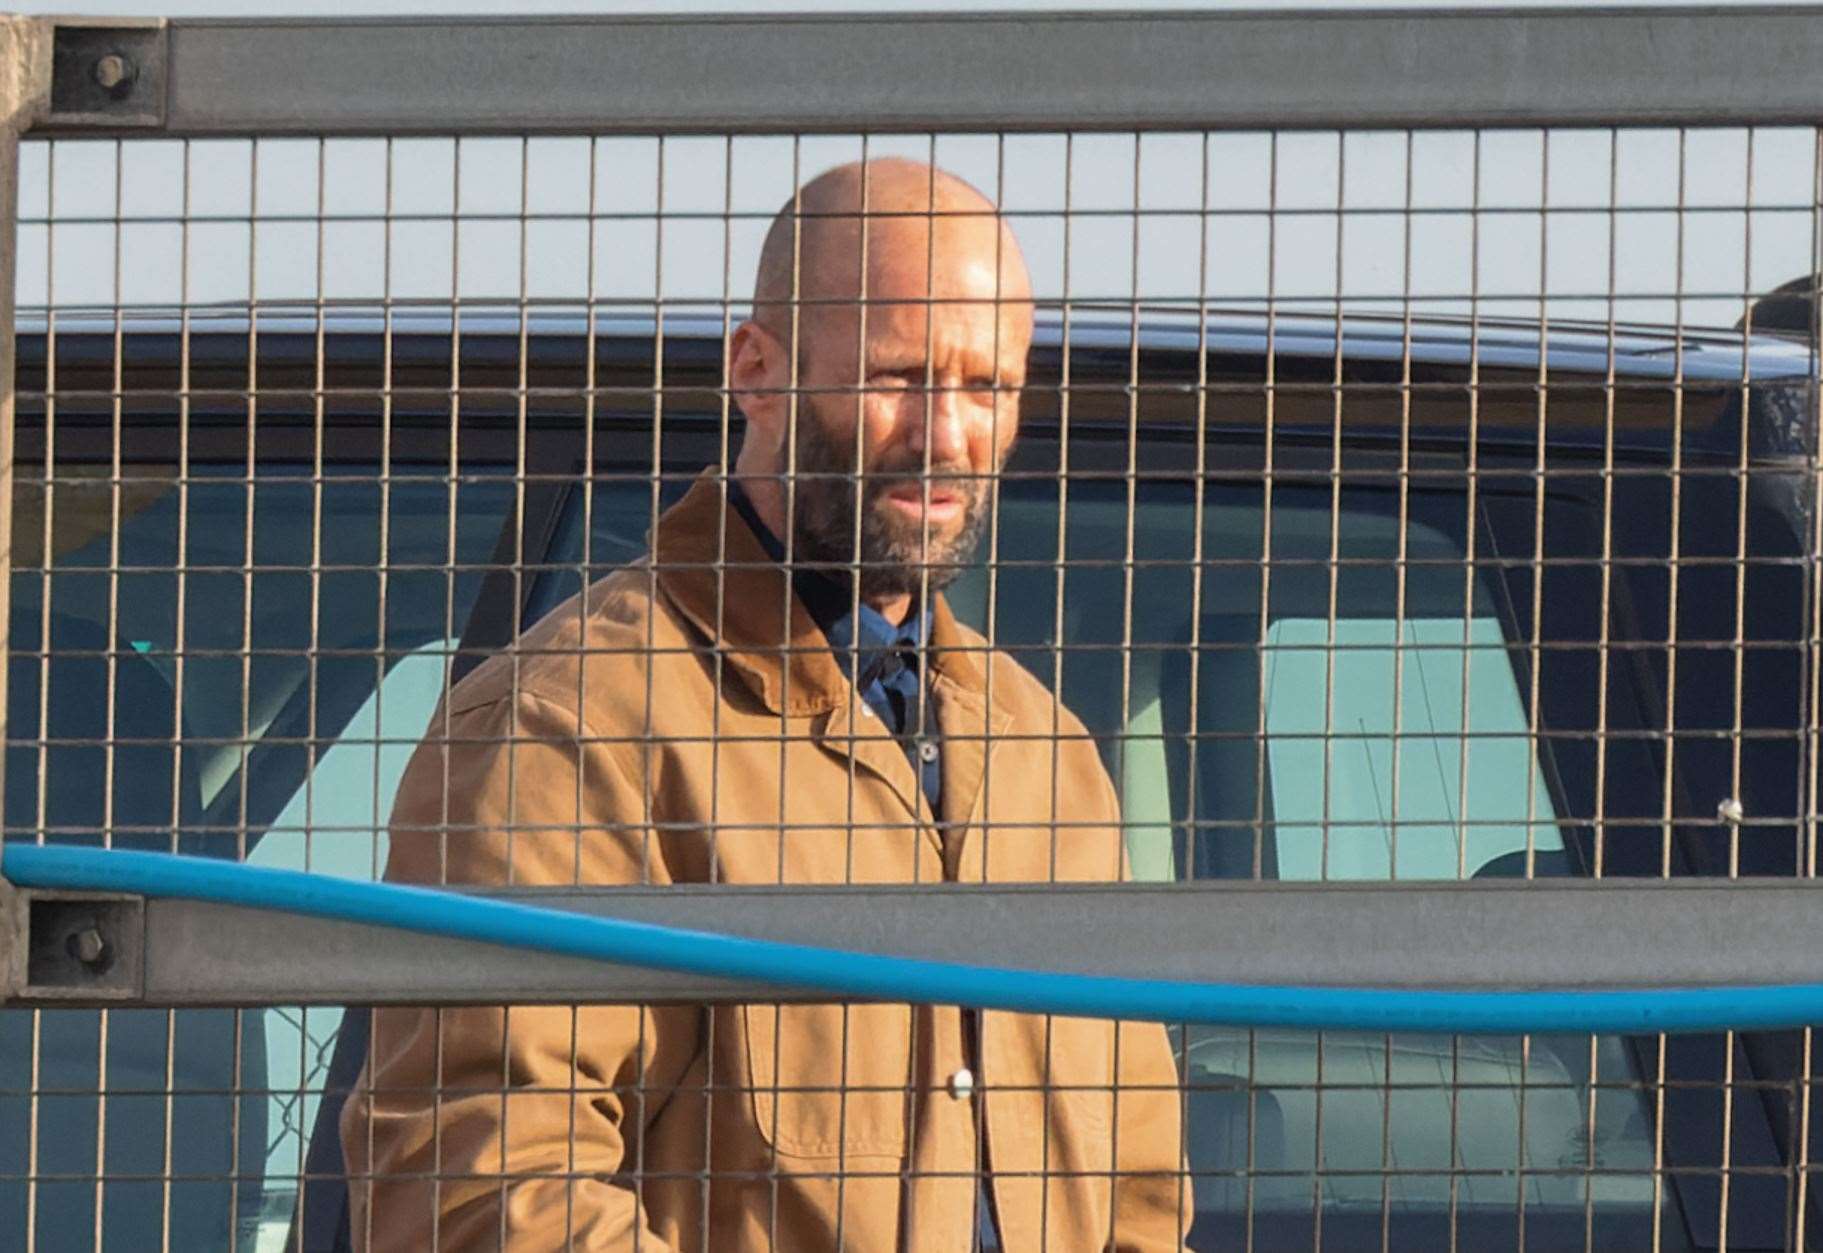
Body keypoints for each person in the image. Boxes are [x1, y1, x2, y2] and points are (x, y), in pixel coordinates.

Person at [341, 157, 1192, 1251]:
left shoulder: (1044, 753)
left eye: (987, 387)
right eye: (896, 374)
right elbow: (475, 1190)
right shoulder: (569, 724)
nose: (944, 435)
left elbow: (1136, 1194)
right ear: (756, 369)